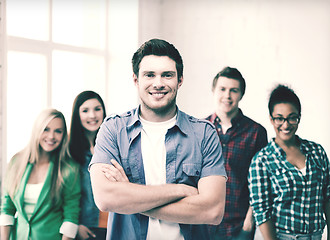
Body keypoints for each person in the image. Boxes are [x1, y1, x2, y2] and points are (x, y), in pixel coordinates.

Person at [89, 38, 227, 240]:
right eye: (149, 75)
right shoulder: (113, 130)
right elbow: (106, 199)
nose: (158, 83)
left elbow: (212, 211)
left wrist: (129, 196)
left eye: (167, 75)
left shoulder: (204, 134)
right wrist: (179, 190)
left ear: (180, 80)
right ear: (136, 80)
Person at [248, 84, 330, 240]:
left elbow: (329, 196)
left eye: (292, 117)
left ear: (299, 117)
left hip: (316, 236)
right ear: (271, 118)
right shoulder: (261, 161)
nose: (286, 124)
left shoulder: (317, 152)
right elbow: (262, 213)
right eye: (279, 118)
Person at [0, 108, 81, 240]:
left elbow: (71, 217)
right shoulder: (16, 162)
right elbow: (7, 208)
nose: (51, 136)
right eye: (46, 129)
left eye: (58, 131)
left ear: (64, 135)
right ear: (37, 130)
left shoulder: (69, 168)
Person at [206, 66, 268, 240]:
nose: (227, 95)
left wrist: (249, 223)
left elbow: (261, 183)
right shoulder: (200, 129)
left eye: (234, 90)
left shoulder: (256, 132)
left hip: (239, 226)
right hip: (204, 224)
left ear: (241, 94)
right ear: (213, 91)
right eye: (223, 89)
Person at [69, 90, 108, 240]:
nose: (92, 115)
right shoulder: (69, 150)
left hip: (112, 223)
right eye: (85, 110)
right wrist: (76, 225)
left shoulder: (113, 145)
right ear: (77, 115)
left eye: (97, 109)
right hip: (84, 226)